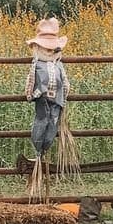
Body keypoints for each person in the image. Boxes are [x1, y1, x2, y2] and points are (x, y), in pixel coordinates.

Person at [25, 17, 78, 199]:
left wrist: (64, 96)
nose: (49, 50)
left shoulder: (58, 65)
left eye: (52, 47)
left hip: (56, 102)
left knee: (52, 124)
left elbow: (65, 83)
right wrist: (31, 94)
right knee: (41, 122)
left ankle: (44, 150)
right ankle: (39, 152)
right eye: (46, 47)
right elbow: (31, 82)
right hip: (42, 100)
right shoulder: (36, 65)